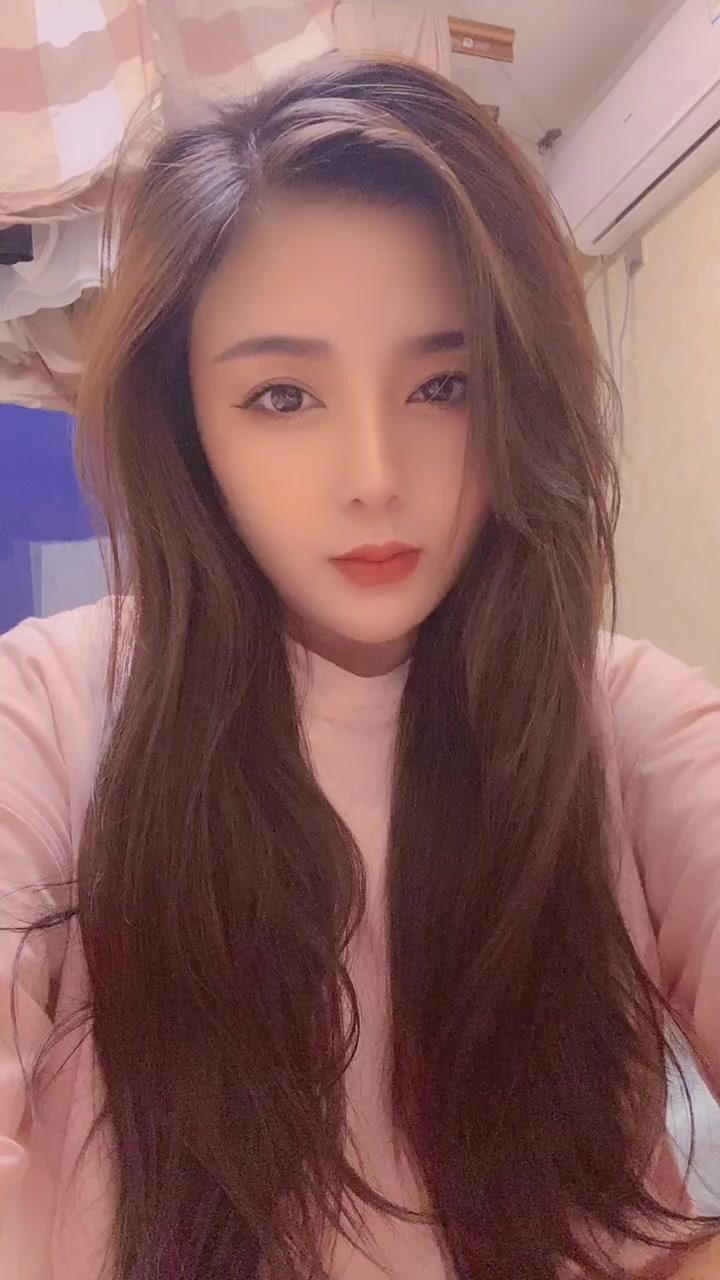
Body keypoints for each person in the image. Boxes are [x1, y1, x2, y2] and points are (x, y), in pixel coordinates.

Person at [0, 54, 718, 1280]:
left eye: (444, 384)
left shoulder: (622, 714)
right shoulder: (57, 703)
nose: (376, 474)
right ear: (189, 423)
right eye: (284, 395)